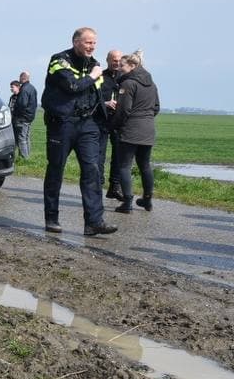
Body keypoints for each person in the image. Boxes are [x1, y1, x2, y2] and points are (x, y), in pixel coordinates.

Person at [41, 27, 117, 237]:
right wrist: (93, 76)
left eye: (94, 43)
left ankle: (94, 222)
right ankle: (52, 218)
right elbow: (72, 86)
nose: (92, 46)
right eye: (88, 42)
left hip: (87, 125)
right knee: (56, 170)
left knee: (92, 170)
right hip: (62, 124)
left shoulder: (95, 65)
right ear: (76, 42)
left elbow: (97, 95)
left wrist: (104, 121)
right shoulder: (59, 60)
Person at [106, 51, 160, 213]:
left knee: (124, 166)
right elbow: (156, 108)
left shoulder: (128, 84)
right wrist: (146, 118)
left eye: (122, 65)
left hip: (130, 130)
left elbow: (123, 111)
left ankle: (127, 202)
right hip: (148, 129)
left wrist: (113, 126)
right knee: (145, 166)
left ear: (133, 66)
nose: (119, 68)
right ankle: (147, 200)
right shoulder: (152, 84)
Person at [98, 49, 124, 200]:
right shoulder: (100, 76)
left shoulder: (125, 78)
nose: (117, 62)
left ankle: (115, 186)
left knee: (119, 155)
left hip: (118, 121)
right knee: (99, 154)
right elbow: (92, 97)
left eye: (119, 60)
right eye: (114, 60)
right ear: (108, 60)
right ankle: (98, 186)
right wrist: (105, 103)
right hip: (102, 120)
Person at [12, 71, 38, 159]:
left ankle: (24, 158)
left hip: (22, 117)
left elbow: (22, 104)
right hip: (30, 117)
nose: (19, 80)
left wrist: (16, 113)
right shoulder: (32, 88)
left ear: (23, 78)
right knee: (26, 138)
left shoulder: (24, 89)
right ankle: (27, 156)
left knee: (21, 138)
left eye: (20, 77)